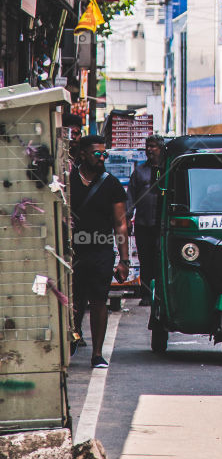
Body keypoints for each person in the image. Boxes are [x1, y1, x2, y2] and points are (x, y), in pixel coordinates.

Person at [69, 134, 129, 368]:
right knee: (72, 300)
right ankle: (72, 336)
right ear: (83, 154)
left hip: (101, 250)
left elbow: (120, 223)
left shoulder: (111, 184)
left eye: (105, 153)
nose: (102, 157)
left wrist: (124, 260)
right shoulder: (68, 179)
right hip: (71, 252)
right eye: (97, 153)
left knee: (98, 301)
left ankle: (96, 353)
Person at [127, 135, 163, 306]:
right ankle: (147, 294)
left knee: (161, 260)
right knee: (145, 260)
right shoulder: (140, 171)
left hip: (163, 226)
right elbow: (131, 197)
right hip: (143, 224)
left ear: (161, 148)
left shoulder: (168, 168)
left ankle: (162, 295)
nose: (149, 150)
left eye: (153, 146)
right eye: (147, 146)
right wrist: (127, 218)